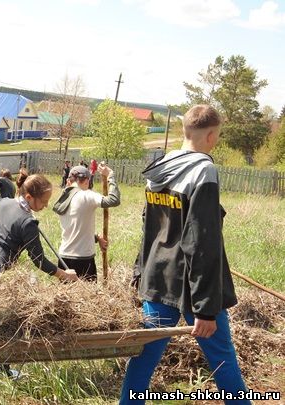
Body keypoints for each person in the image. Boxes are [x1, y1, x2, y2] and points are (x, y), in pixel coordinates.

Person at [119, 105, 249, 404]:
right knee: (222, 359)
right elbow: (201, 240)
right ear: (212, 135)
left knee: (145, 356)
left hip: (157, 278)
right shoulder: (204, 170)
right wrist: (205, 308)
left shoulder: (161, 167)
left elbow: (149, 227)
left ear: (184, 130)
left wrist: (140, 273)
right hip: (192, 285)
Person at [0, 172, 78, 379]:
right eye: (43, 202)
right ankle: (3, 371)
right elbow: (39, 260)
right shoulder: (28, 223)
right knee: (7, 324)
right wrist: (64, 274)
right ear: (28, 197)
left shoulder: (5, 203)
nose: (45, 206)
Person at [53, 163, 120, 282]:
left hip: (63, 258)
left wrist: (96, 238)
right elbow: (114, 200)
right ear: (87, 181)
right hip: (82, 259)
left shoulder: (63, 198)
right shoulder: (86, 195)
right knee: (87, 298)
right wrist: (110, 175)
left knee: (66, 299)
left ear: (69, 181)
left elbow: (75, 228)